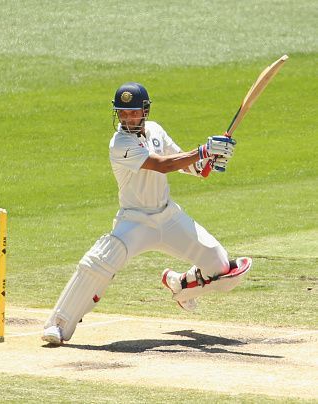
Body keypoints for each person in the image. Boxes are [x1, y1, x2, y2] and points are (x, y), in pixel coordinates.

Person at [42, 82, 252, 345]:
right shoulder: (119, 143)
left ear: (145, 110)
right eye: (122, 112)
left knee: (223, 268)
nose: (128, 118)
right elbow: (161, 166)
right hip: (134, 221)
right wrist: (203, 150)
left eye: (133, 112)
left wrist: (209, 160)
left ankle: (181, 285)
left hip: (169, 216)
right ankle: (59, 324)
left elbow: (188, 166)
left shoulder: (155, 130)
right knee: (97, 262)